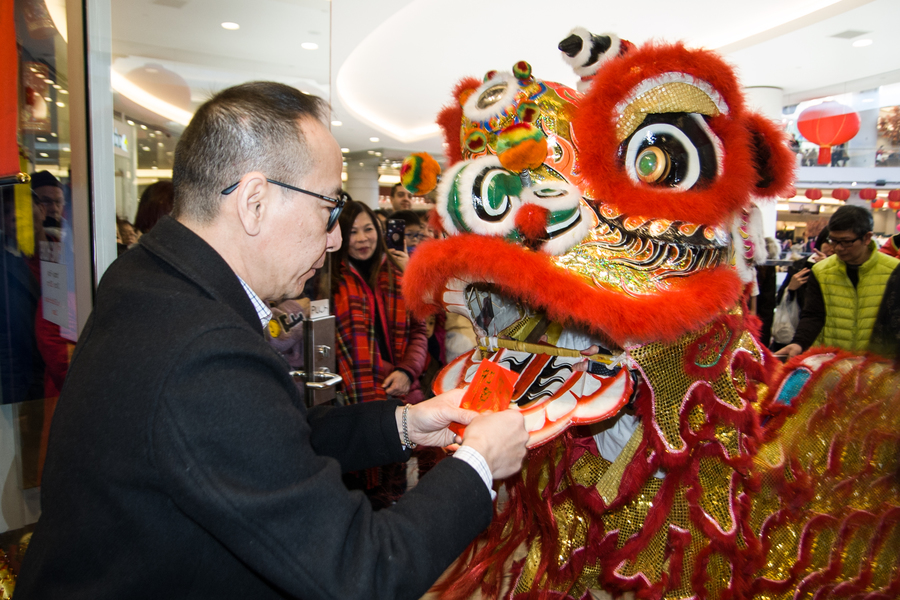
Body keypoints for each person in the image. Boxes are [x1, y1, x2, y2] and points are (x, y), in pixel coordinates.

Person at [15, 81, 529, 599]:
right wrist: (478, 463)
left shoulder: (150, 279)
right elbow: (364, 572)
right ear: (254, 201)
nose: (335, 239)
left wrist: (406, 424)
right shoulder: (201, 348)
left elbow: (269, 438)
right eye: (329, 209)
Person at [331, 201, 426, 406]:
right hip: (356, 395)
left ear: (379, 231)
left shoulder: (397, 272)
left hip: (404, 390)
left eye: (368, 229)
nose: (362, 239)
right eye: (352, 232)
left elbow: (419, 330)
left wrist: (407, 371)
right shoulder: (331, 280)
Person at [776, 205, 899, 358]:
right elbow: (813, 315)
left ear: (867, 238)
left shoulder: (894, 270)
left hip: (877, 367)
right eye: (834, 241)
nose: (838, 248)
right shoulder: (821, 270)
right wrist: (799, 343)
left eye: (846, 242)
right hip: (832, 365)